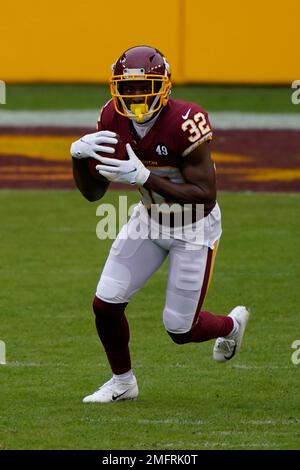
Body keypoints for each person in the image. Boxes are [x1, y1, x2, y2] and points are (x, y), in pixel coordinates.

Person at [70, 45, 250, 403]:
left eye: (145, 86)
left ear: (164, 84)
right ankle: (123, 382)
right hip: (149, 221)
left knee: (180, 329)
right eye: (128, 87)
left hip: (193, 227)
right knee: (105, 305)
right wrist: (77, 157)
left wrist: (145, 176)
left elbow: (205, 194)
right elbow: (94, 194)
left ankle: (231, 326)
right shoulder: (111, 117)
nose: (136, 95)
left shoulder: (186, 121)